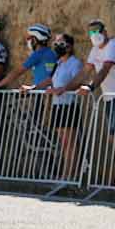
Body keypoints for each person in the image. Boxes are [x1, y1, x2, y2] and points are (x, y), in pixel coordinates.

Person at [78, 19, 115, 177]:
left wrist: (90, 87)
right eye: (91, 32)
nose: (95, 34)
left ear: (105, 31)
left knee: (114, 135)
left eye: (97, 30)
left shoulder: (114, 46)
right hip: (109, 98)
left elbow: (104, 70)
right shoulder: (94, 50)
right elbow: (85, 72)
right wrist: (64, 88)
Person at [30, 33, 84, 181]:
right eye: (56, 41)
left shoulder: (75, 63)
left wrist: (62, 89)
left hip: (68, 105)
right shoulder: (58, 62)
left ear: (70, 46)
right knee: (63, 142)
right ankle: (66, 173)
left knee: (70, 142)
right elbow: (50, 80)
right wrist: (33, 87)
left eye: (61, 42)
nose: (57, 44)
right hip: (57, 106)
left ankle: (70, 175)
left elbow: (77, 81)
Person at [0, 24, 57, 90]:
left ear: (35, 40)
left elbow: (18, 72)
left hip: (42, 94)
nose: (27, 40)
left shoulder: (38, 54)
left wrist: (0, 84)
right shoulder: (51, 53)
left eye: (29, 38)